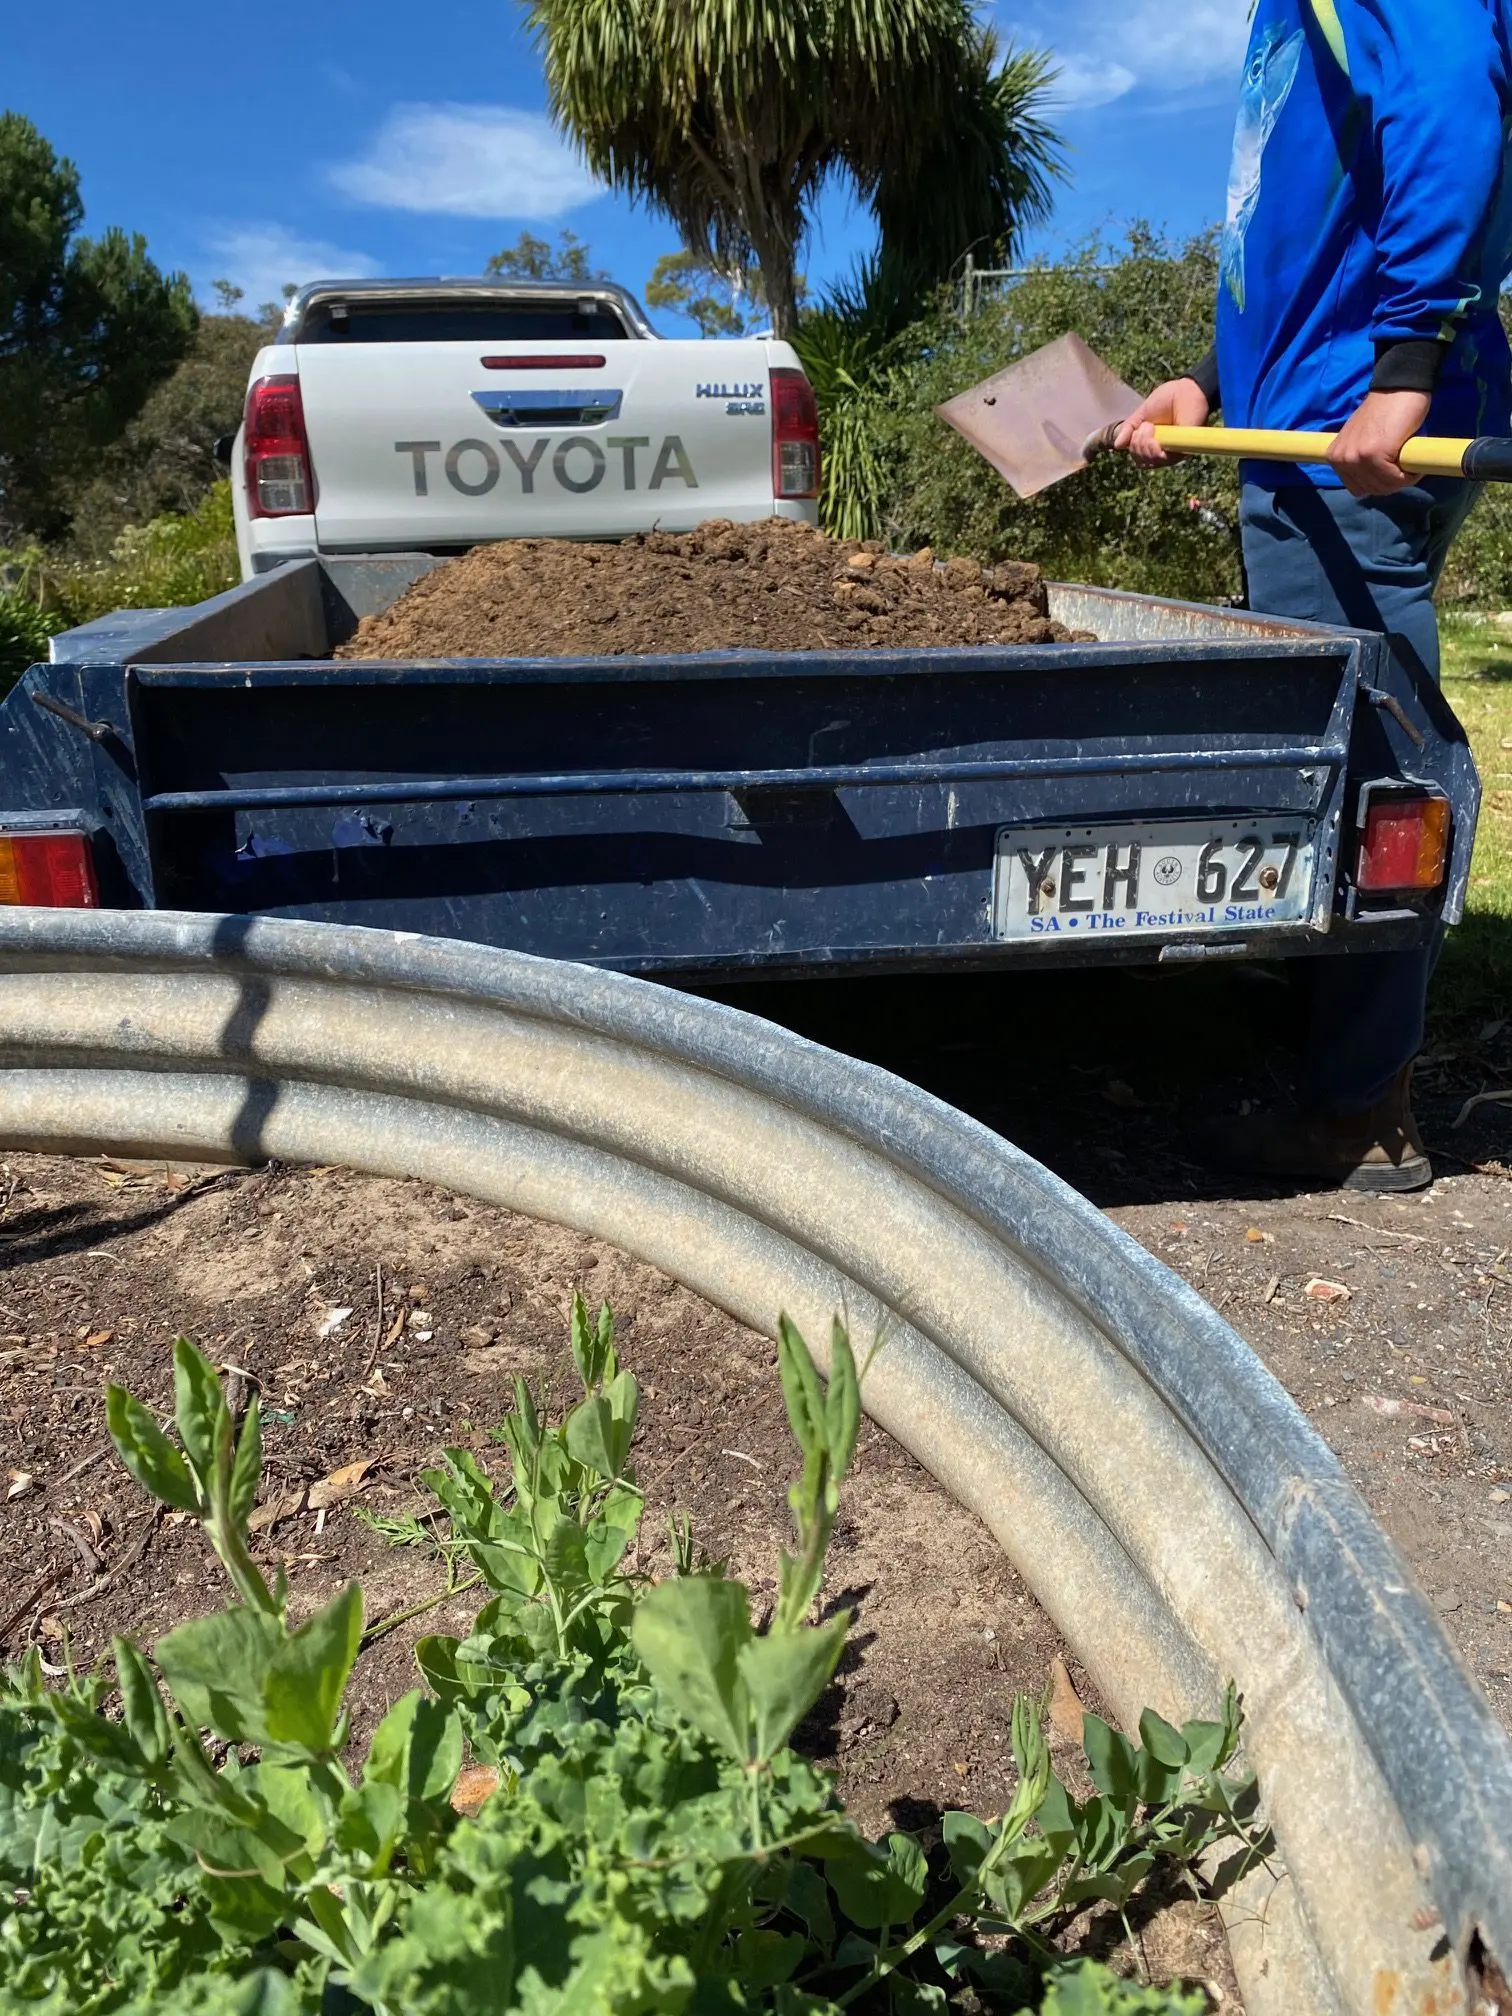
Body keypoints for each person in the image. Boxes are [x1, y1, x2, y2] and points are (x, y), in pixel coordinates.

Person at [1115, 0, 1512, 1194]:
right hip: (1304, 407)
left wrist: (1405, 364)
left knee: (1373, 757)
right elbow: (1296, 235)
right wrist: (1204, 376)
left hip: (1350, 424)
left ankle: (1360, 1110)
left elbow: (1452, 100)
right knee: (1341, 735)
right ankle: (1330, 1012)